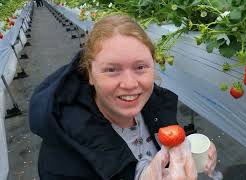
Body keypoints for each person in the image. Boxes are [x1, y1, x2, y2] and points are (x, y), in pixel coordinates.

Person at [29, 14, 217, 179]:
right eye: (111, 69)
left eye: (140, 67)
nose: (129, 84)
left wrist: (190, 149)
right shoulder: (62, 162)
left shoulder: (155, 106)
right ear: (90, 75)